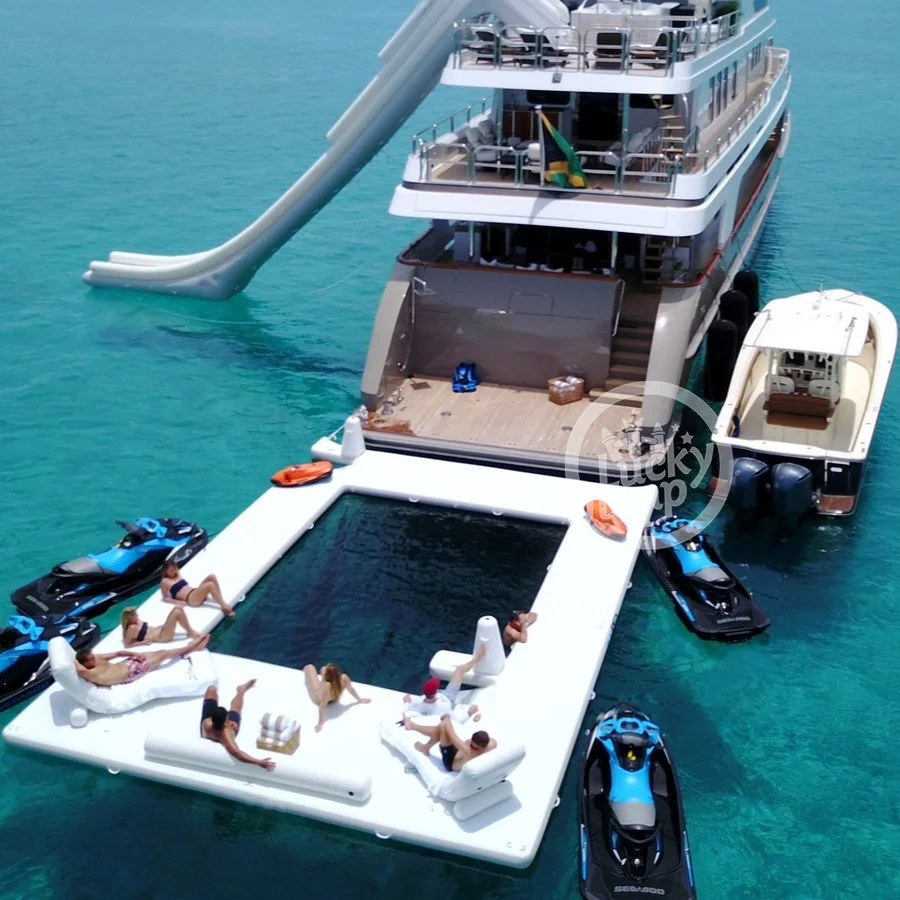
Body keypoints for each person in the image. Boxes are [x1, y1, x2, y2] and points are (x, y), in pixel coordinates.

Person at [74, 635, 210, 686]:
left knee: (159, 652)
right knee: (164, 654)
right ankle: (192, 647)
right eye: (91, 658)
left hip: (127, 662)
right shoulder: (91, 674)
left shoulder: (97, 659)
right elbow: (77, 667)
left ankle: (189, 648)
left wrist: (135, 654)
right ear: (85, 663)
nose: (95, 658)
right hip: (132, 672)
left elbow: (118, 653)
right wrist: (72, 657)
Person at [200, 679, 275, 770]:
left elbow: (215, 722)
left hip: (217, 723)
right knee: (235, 709)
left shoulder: (207, 723)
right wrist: (259, 762)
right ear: (226, 722)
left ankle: (233, 692)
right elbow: (237, 753)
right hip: (224, 728)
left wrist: (225, 723)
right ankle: (241, 690)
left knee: (211, 689)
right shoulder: (226, 734)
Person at [402, 643, 486, 721]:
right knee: (460, 670)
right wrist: (469, 713)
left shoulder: (416, 702)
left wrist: (407, 702)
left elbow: (407, 708)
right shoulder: (443, 708)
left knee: (459, 670)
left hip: (442, 697)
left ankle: (477, 658)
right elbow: (456, 721)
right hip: (448, 697)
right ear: (436, 691)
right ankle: (478, 658)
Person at [403, 713, 497, 773]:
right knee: (441, 730)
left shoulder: (468, 750)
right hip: (459, 754)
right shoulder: (491, 744)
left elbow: (452, 736)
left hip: (450, 762)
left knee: (442, 727)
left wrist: (447, 718)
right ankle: (413, 727)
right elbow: (489, 740)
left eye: (473, 743)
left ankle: (425, 747)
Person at [303, 662, 371, 732]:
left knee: (309, 667)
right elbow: (351, 690)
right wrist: (360, 700)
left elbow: (322, 705)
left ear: (328, 676)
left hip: (319, 699)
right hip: (334, 698)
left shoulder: (327, 686)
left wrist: (320, 723)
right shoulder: (344, 678)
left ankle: (307, 670)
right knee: (323, 669)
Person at [160, 561, 235, 617]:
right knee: (210, 585)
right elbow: (165, 598)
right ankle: (224, 607)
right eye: (171, 570)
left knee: (212, 576)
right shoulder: (164, 582)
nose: (173, 572)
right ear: (165, 571)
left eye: (174, 569)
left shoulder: (177, 574)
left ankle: (221, 600)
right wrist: (179, 602)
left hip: (195, 592)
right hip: (191, 599)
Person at [121, 605, 201, 647]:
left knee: (178, 607)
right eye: (135, 615)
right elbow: (127, 645)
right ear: (130, 618)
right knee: (177, 612)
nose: (137, 615)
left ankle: (190, 631)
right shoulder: (131, 628)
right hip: (162, 636)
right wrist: (142, 643)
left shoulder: (137, 621)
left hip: (161, 630)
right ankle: (190, 632)